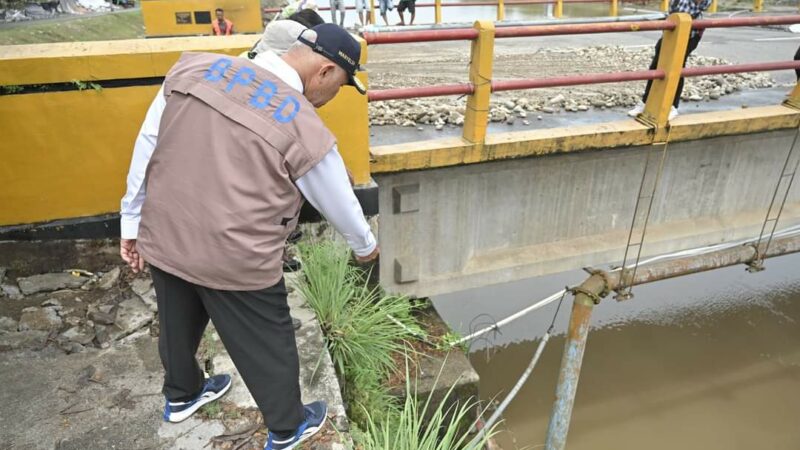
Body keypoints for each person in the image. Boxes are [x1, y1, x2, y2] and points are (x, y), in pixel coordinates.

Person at [119, 24, 377, 450]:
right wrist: (365, 246)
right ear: (327, 72)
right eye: (342, 86)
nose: (334, 96)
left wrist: (131, 221)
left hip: (167, 228)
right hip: (235, 252)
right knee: (267, 334)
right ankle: (287, 426)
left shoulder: (195, 69)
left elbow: (147, 144)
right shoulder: (301, 121)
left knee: (177, 317)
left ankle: (181, 397)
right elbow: (336, 197)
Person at [627, 0, 711, 120]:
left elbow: (704, 3)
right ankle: (645, 103)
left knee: (677, 68)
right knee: (656, 66)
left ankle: (673, 106)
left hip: (689, 34)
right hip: (671, 32)